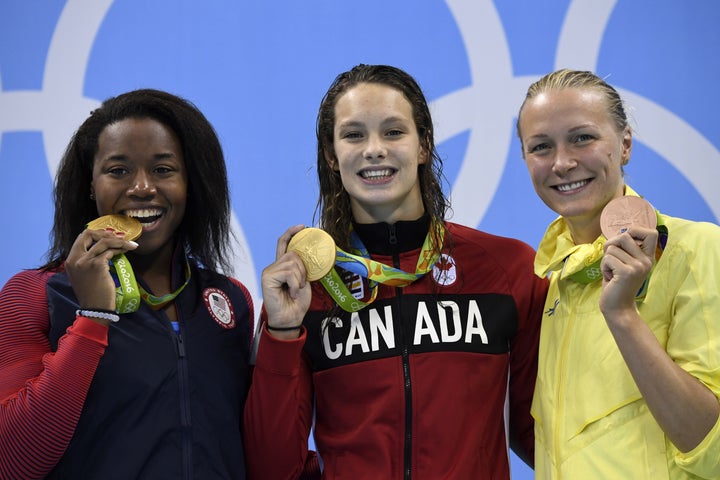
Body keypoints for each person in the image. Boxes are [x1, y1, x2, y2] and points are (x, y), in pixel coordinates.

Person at [243, 64, 548, 479]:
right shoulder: (305, 290)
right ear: (331, 156)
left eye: (393, 132)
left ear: (423, 145)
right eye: (354, 135)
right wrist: (280, 333)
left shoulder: (506, 269)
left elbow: (541, 438)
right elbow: (273, 467)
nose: (374, 149)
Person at [0, 89, 254, 479]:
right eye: (118, 170)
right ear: (90, 184)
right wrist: (92, 318)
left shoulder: (230, 301)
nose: (142, 188)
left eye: (163, 169)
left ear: (192, 183)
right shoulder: (34, 295)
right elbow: (12, 460)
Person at [516, 69, 720, 479]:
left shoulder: (696, 248)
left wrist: (624, 315)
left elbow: (708, 441)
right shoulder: (551, 282)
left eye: (582, 138)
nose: (562, 163)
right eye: (541, 146)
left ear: (625, 143)